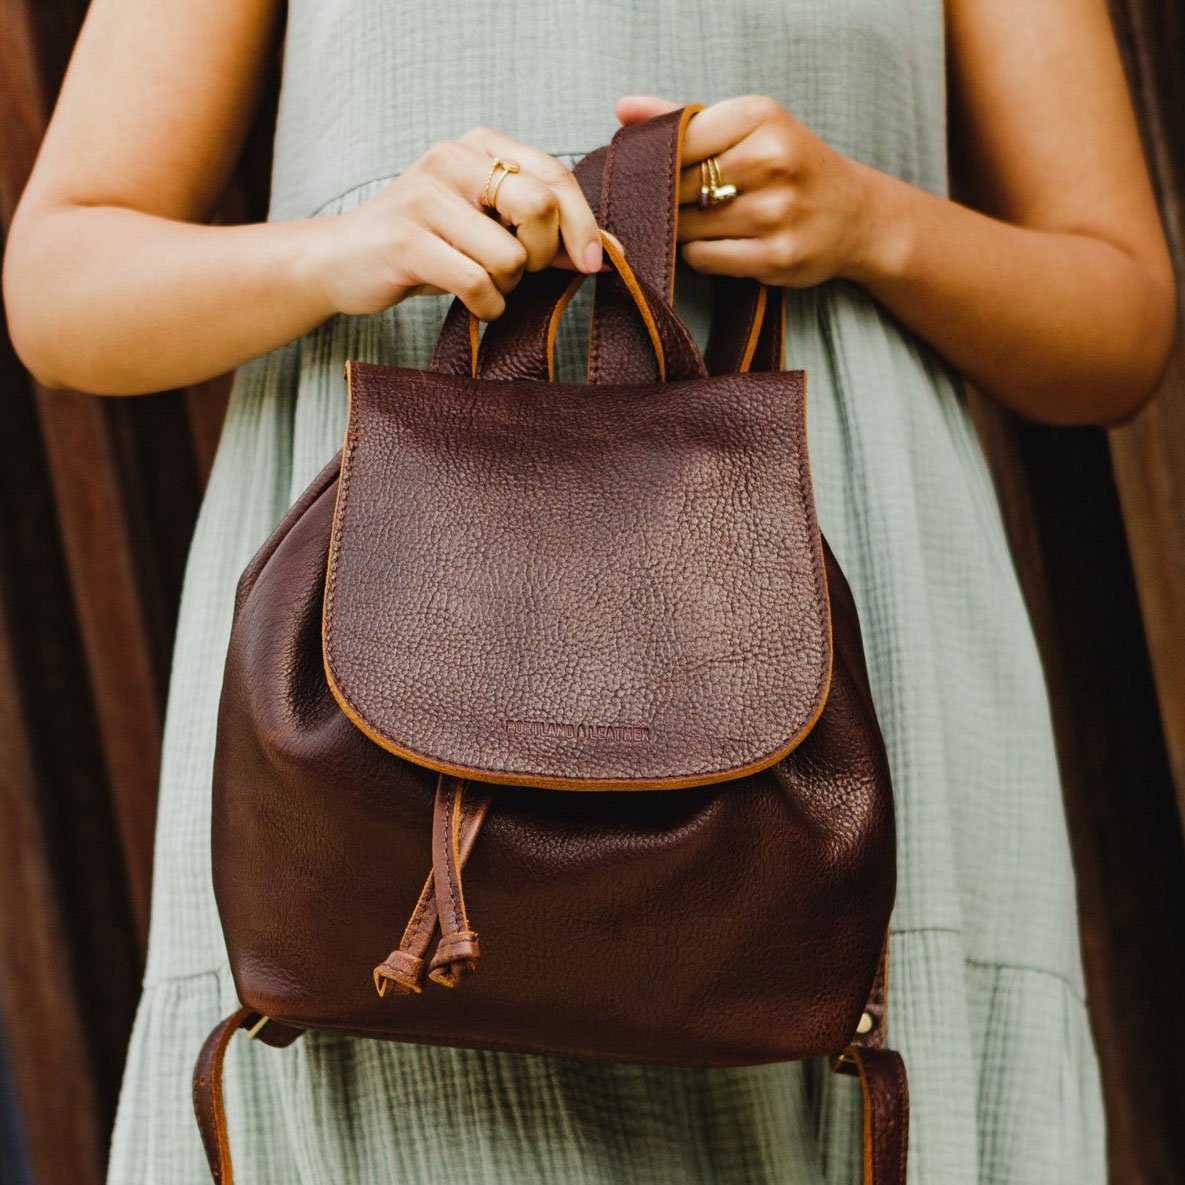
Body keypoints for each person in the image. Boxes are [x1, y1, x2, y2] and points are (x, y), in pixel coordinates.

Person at [4, 1, 1175, 1182]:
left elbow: (1119, 325)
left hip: (845, 622)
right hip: (389, 650)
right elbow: (60, 288)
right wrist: (347, 245)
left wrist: (877, 223)